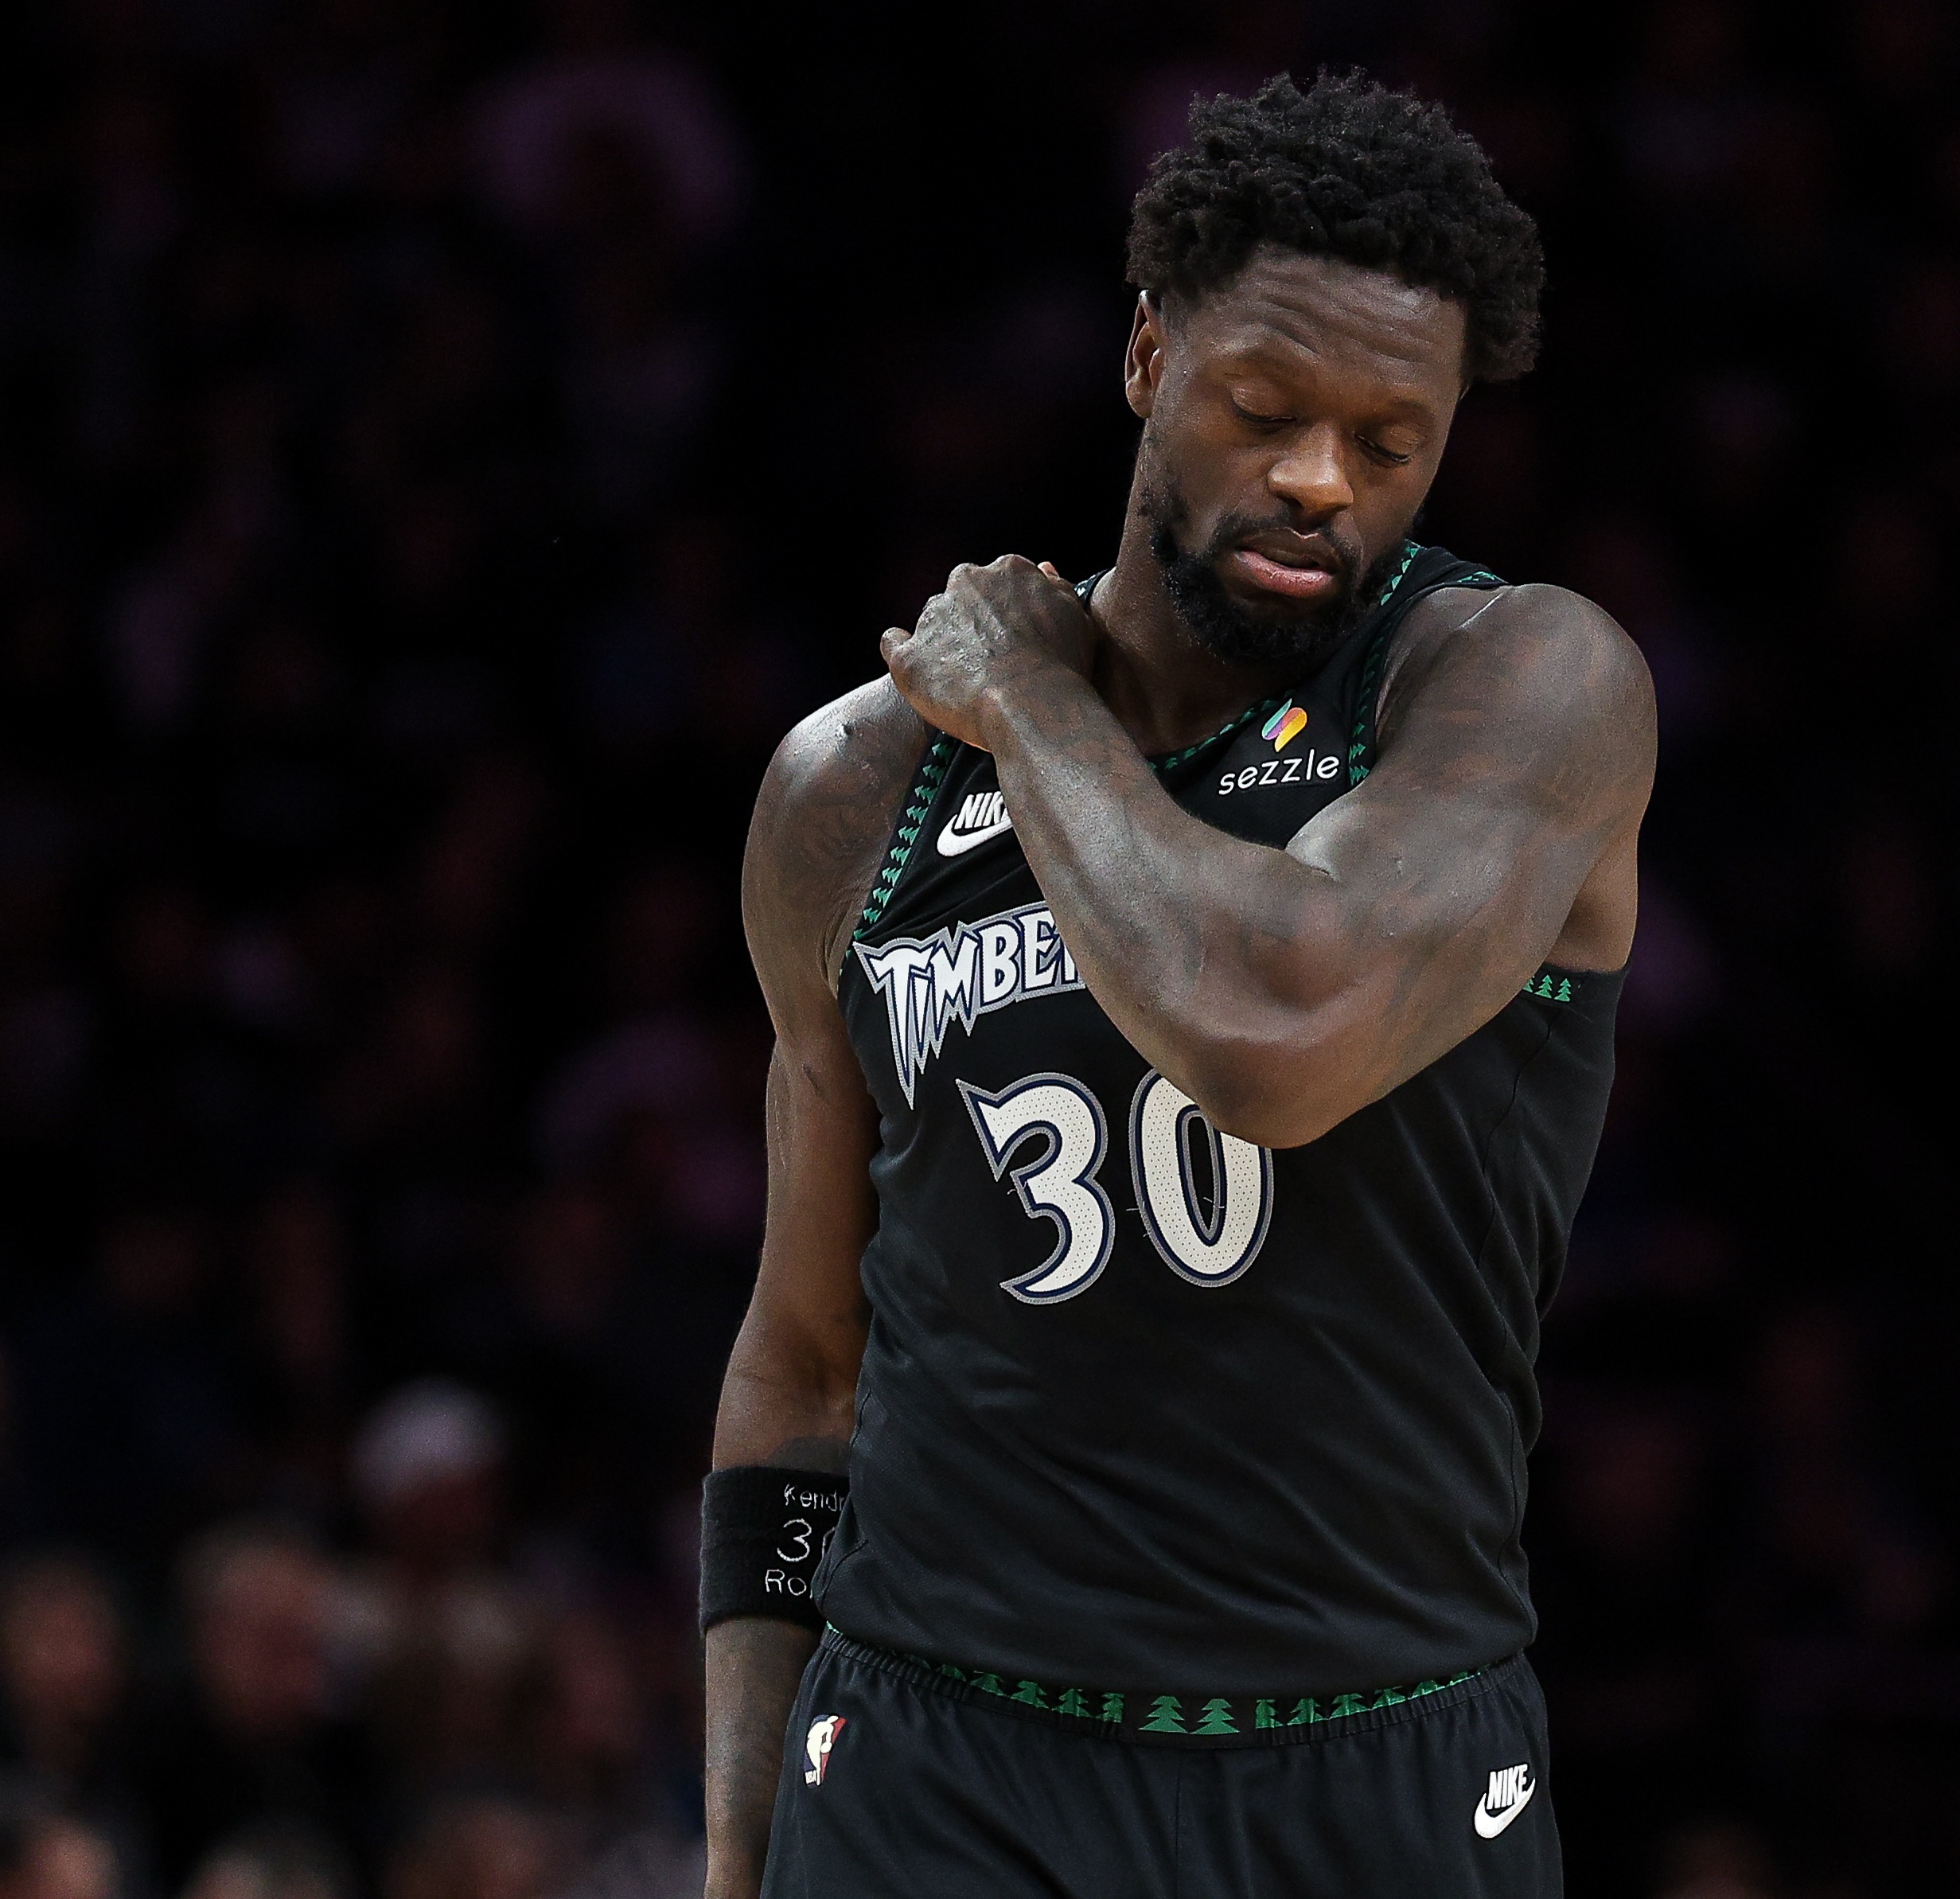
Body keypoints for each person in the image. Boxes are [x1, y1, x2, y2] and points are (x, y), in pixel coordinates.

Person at [700, 71, 1653, 1899]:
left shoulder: (1518, 687)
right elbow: (803, 1358)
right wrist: (743, 1847)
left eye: (1392, 440)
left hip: (1366, 1752)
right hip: (933, 1756)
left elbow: (1274, 1033)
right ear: (1147, 355)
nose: (1320, 478)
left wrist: (1033, 702)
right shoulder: (857, 787)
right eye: (1264, 407)